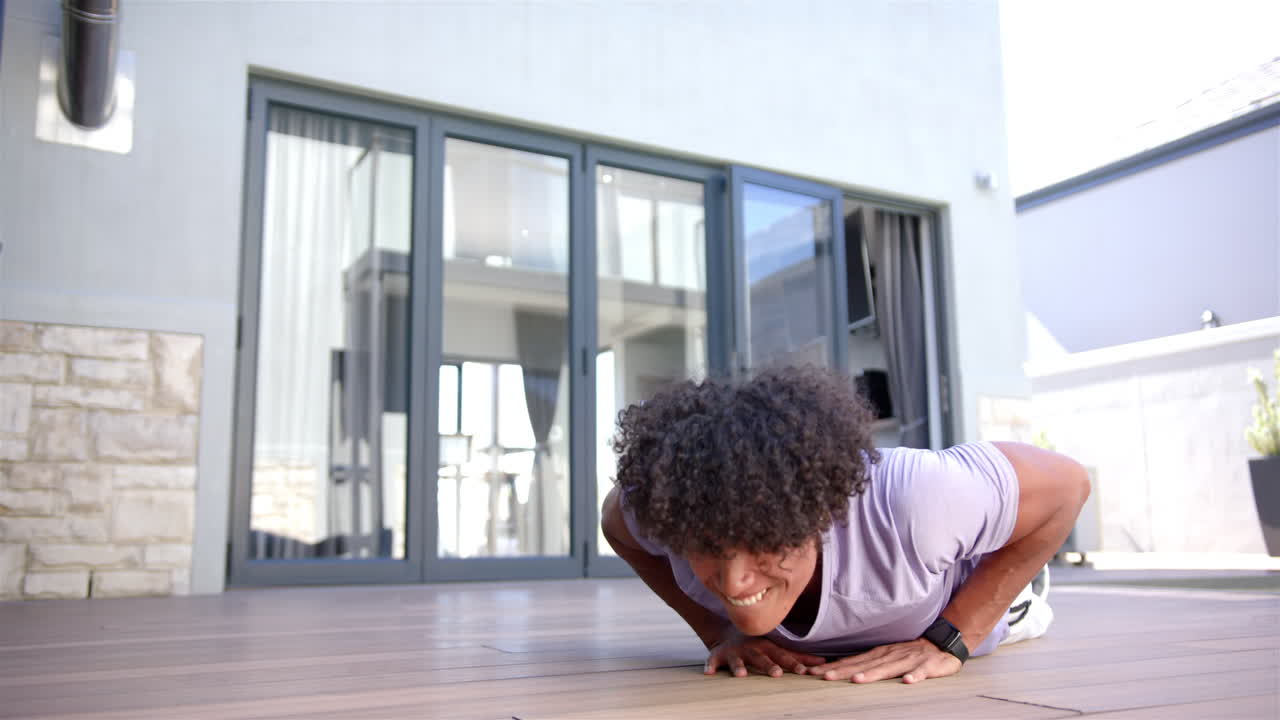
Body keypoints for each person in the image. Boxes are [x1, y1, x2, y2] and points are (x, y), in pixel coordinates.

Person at [601, 365, 1088, 684]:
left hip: (961, 590)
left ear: (818, 511)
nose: (733, 581)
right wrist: (719, 632)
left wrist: (956, 636)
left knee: (1017, 608)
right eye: (706, 546)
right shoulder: (664, 503)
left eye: (764, 542)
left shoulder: (914, 500)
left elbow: (1069, 485)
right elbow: (615, 523)